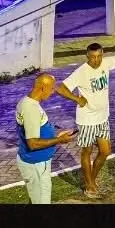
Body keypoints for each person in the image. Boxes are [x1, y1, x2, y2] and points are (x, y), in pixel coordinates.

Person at [56, 42, 115, 199]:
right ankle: (89, 184)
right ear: (87, 56)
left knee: (105, 151)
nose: (96, 60)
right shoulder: (81, 72)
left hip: (103, 118)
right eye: (93, 57)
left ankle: (91, 179)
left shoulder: (106, 63)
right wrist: (77, 99)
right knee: (87, 152)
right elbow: (61, 88)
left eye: (99, 56)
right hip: (86, 120)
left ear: (102, 54)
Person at [15, 74, 75, 204]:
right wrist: (59, 140)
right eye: (52, 88)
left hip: (37, 163)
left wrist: (56, 136)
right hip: (35, 164)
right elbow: (33, 144)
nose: (53, 92)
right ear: (43, 88)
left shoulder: (29, 102)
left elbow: (38, 130)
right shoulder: (31, 108)